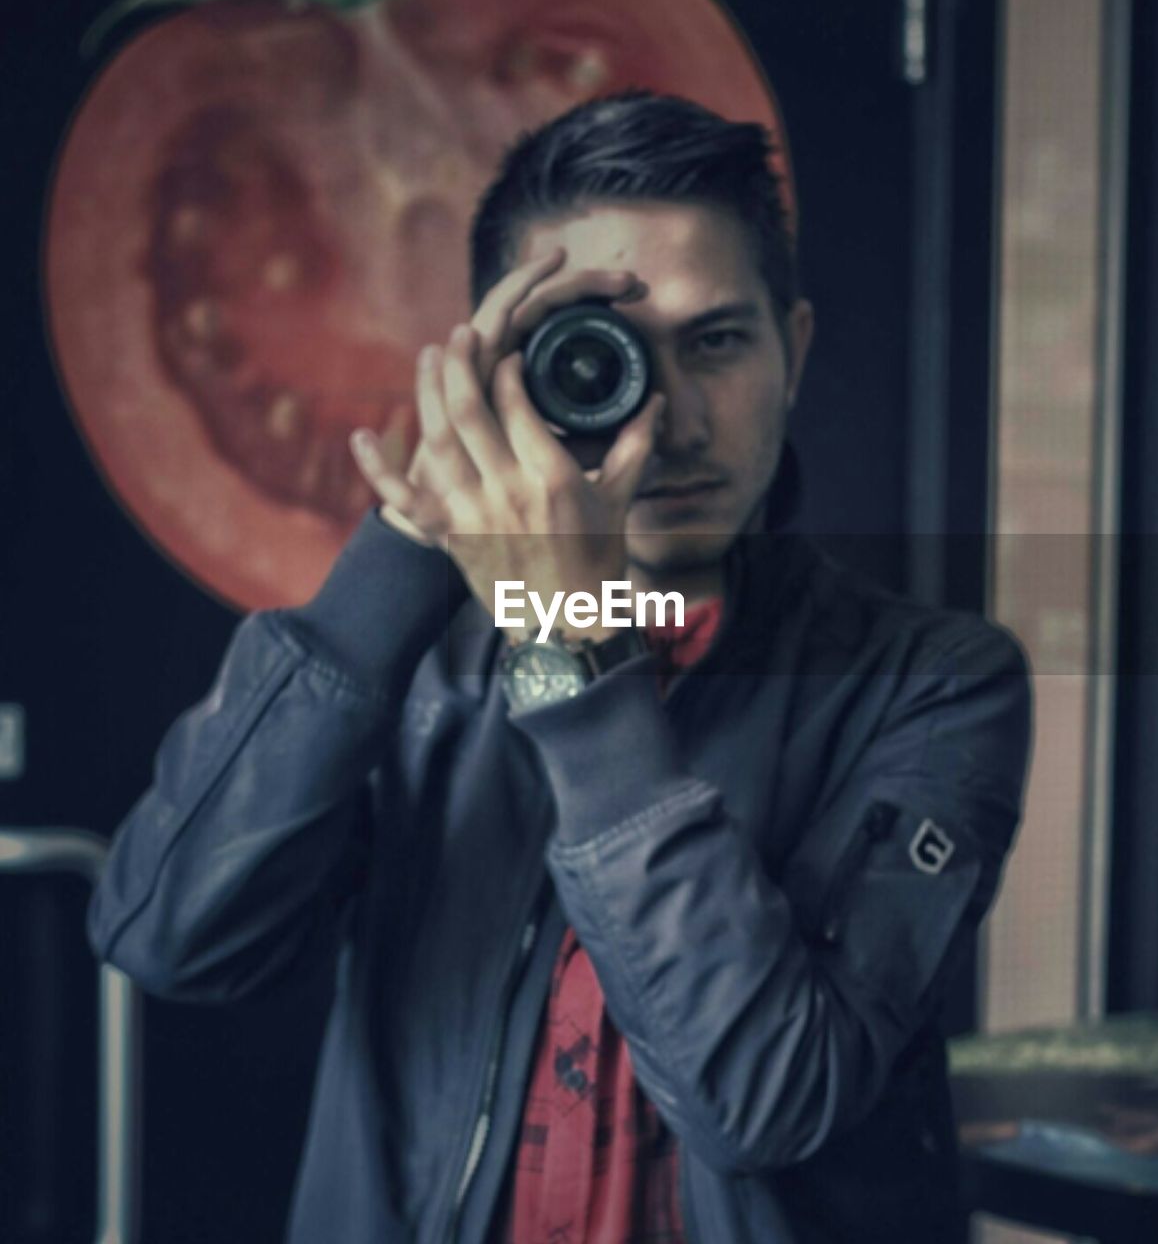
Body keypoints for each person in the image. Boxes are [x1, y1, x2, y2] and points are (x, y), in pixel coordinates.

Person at [87, 91, 1033, 1244]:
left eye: (717, 341)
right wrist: (407, 549)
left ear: (793, 350)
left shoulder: (929, 682)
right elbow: (169, 934)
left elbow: (765, 1095)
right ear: (504, 377)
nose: (671, 418)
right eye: (605, 358)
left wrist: (564, 644)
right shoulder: (426, 655)